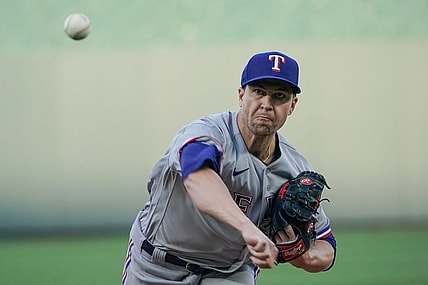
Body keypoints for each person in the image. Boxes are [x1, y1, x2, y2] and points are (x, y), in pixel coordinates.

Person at [121, 51, 337, 285]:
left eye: (279, 96)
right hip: (158, 264)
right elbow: (197, 179)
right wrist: (247, 228)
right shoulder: (207, 134)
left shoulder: (294, 169)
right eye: (259, 92)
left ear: (292, 105)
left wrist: (301, 253)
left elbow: (327, 246)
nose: (266, 104)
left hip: (230, 272)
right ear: (241, 95)